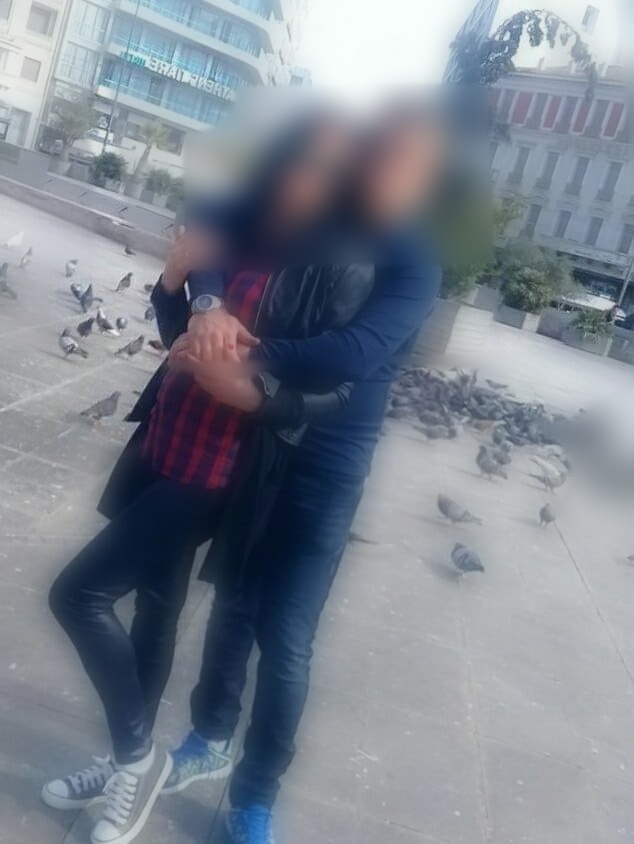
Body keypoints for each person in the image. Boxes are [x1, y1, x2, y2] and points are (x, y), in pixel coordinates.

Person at [41, 111, 376, 844]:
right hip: (166, 437)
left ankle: (138, 759)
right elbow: (176, 334)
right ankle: (122, 760)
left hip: (219, 470)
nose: (304, 179)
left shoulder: (344, 263)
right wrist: (174, 284)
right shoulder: (241, 230)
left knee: (78, 594)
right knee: (153, 614)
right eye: (298, 160)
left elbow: (340, 387)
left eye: (326, 171)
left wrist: (253, 392)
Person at [159, 102, 448, 844]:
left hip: (327, 459)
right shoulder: (318, 210)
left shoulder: (414, 258)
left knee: (286, 635)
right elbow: (214, 214)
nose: (383, 174)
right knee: (233, 601)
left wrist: (241, 355)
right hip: (263, 438)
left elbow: (354, 354)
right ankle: (208, 736)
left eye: (404, 167)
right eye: (377, 156)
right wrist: (209, 302)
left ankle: (255, 797)